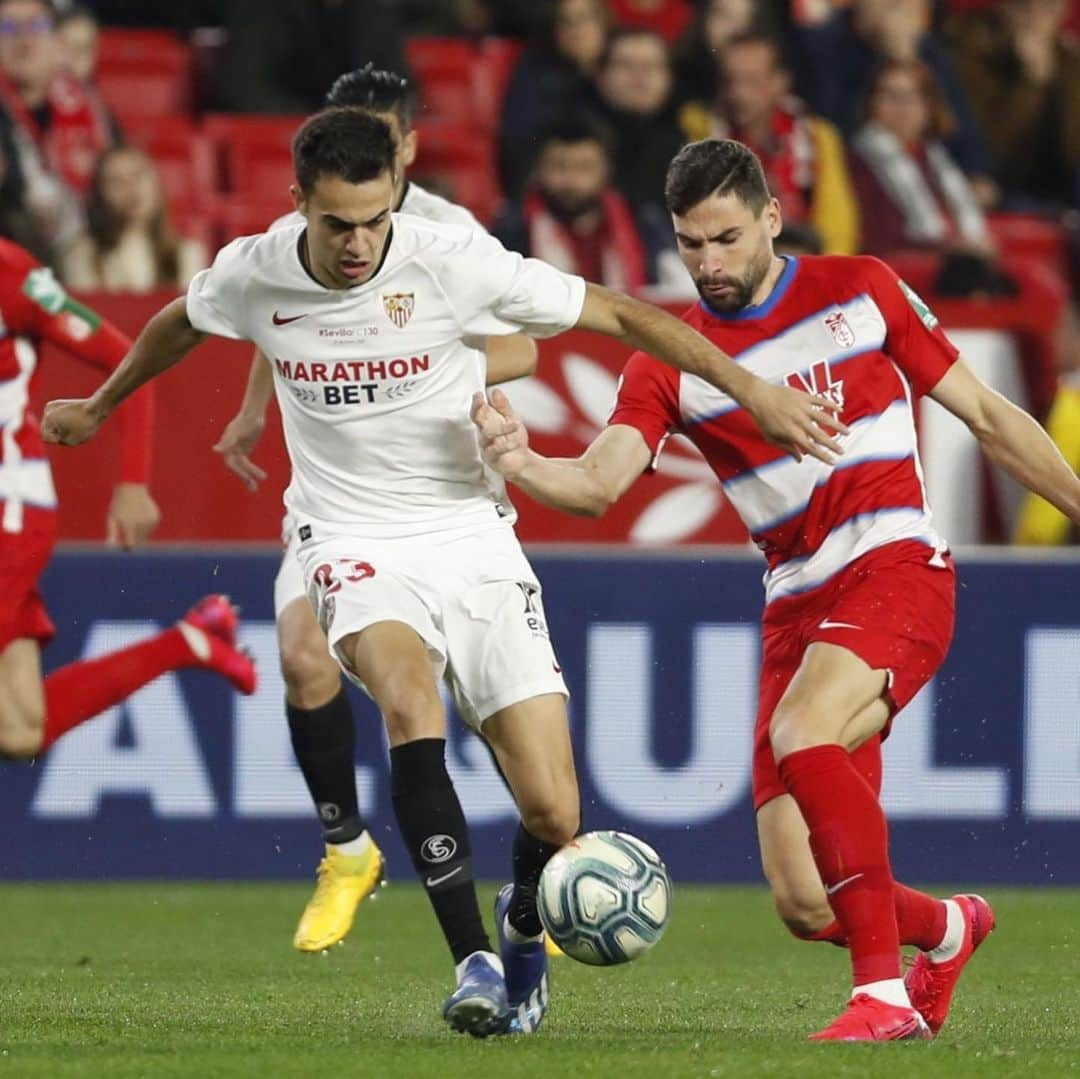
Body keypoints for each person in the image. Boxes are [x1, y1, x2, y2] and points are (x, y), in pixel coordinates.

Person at [40, 110, 842, 1038]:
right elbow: (183, 319)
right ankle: (475, 961)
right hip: (349, 537)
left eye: (373, 219)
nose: (356, 242)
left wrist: (754, 389)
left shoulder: (452, 259)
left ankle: (520, 919)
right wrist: (101, 406)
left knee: (555, 805)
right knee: (408, 701)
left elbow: (621, 313)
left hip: (471, 533)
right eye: (336, 222)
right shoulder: (256, 269)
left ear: (394, 199)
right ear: (298, 202)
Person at [470, 138, 1080, 1041]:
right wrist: (521, 461)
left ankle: (881, 999)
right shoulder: (675, 356)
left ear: (770, 218)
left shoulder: (861, 288)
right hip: (796, 602)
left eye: (724, 238)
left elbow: (989, 417)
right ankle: (948, 930)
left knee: (803, 733)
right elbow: (600, 484)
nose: (708, 263)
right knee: (803, 900)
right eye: (689, 244)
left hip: (895, 564)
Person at [212, 64, 542, 959]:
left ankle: (546, 859)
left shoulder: (447, 234)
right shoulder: (314, 225)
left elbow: (523, 347)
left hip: (441, 496)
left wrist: (427, 368)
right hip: (338, 503)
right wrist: (254, 405)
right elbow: (286, 310)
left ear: (407, 148)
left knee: (486, 704)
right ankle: (345, 850)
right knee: (301, 654)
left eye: (380, 136)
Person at [0, 237, 256, 762]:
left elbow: (123, 358)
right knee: (19, 732)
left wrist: (134, 481)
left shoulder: (9, 274)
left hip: (9, 510)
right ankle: (189, 641)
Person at [680, 33, 858, 254]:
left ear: (780, 82)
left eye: (752, 81)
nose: (738, 93)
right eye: (730, 81)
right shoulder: (699, 133)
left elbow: (837, 226)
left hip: (804, 264)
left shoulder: (816, 136)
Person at [849, 59, 993, 259]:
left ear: (929, 105)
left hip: (945, 259)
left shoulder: (933, 157)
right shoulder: (858, 161)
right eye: (891, 96)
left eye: (911, 97)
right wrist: (950, 248)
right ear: (871, 102)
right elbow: (877, 237)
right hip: (896, 265)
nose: (902, 107)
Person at [945, 0, 1080, 210]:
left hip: (1053, 192)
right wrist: (1029, 84)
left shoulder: (1068, 61)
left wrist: (1047, 76)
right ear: (1004, 7)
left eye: (1048, 8)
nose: (1035, 18)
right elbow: (987, 150)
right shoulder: (965, 49)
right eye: (1024, 6)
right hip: (983, 185)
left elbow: (1072, 151)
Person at [0, 0, 113, 250]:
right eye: (7, 28)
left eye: (36, 26)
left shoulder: (88, 107)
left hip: (87, 239)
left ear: (58, 41)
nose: (23, 40)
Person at [493, 117, 654, 292]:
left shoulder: (642, 222)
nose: (571, 181)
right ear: (538, 169)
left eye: (585, 167)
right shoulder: (511, 230)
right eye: (560, 167)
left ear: (606, 170)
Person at [497, 0, 612, 200]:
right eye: (565, 22)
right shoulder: (536, 76)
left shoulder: (622, 61)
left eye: (583, 19)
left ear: (604, 24)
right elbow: (520, 144)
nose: (575, 30)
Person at [62, 145, 208, 292]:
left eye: (138, 175)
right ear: (100, 194)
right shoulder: (82, 255)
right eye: (116, 181)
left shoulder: (186, 253)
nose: (131, 188)